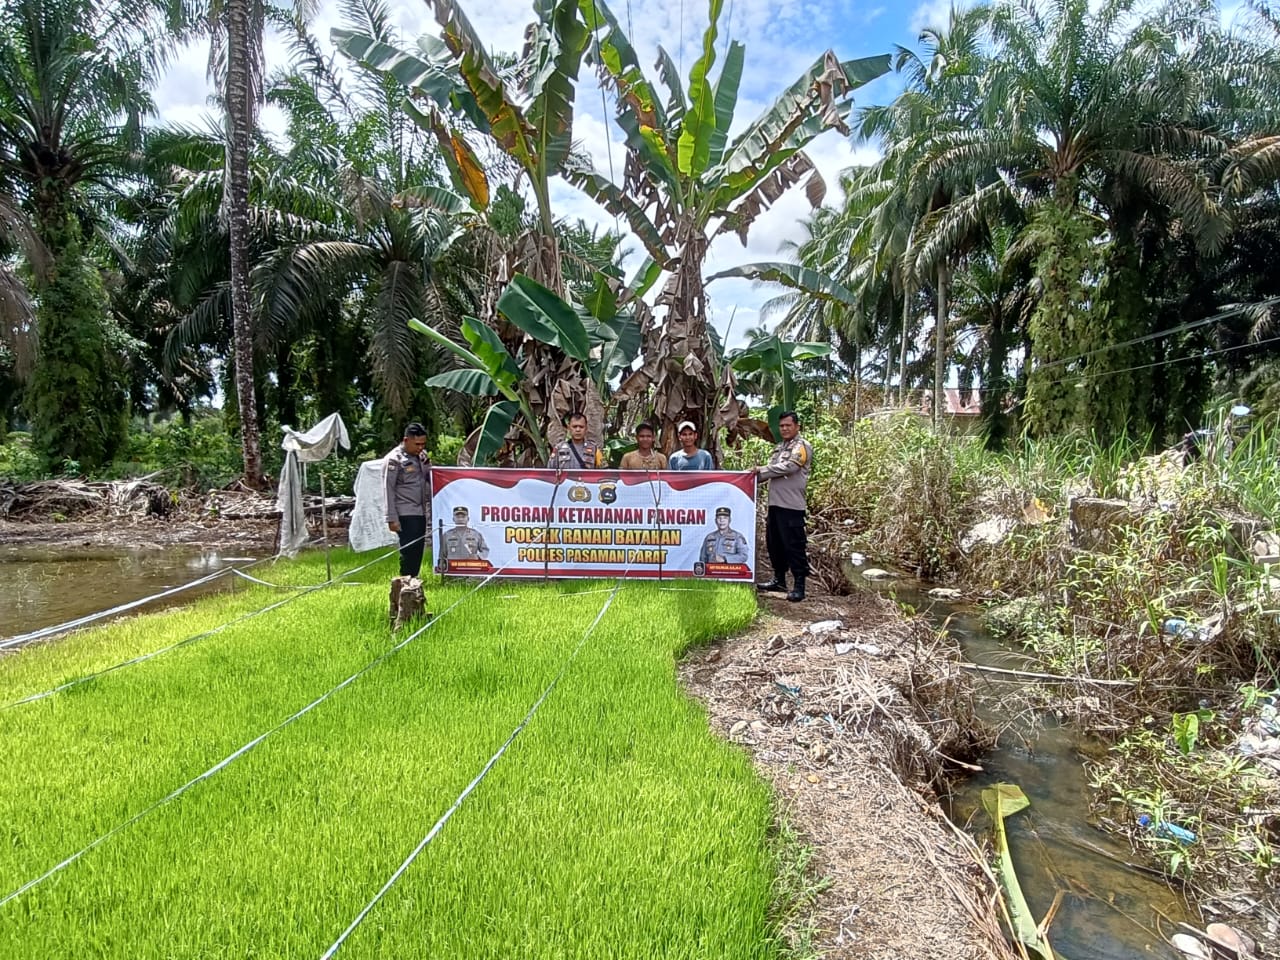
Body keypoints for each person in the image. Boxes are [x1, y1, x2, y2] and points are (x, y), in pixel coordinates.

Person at [755, 411, 812, 602]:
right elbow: (768, 472)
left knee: (794, 546)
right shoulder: (779, 448)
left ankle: (799, 586)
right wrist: (749, 477)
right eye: (782, 426)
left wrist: (761, 471)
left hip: (792, 507)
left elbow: (790, 467)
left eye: (788, 425)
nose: (785, 429)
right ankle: (779, 580)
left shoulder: (802, 447)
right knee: (775, 544)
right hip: (775, 505)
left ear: (797, 426)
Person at [383, 422, 430, 577]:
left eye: (423, 444)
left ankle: (413, 580)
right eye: (417, 444)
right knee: (409, 551)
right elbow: (388, 489)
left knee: (418, 550)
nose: (420, 447)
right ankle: (405, 582)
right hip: (405, 512)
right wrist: (391, 518)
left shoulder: (422, 457)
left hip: (420, 511)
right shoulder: (394, 459)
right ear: (406, 440)